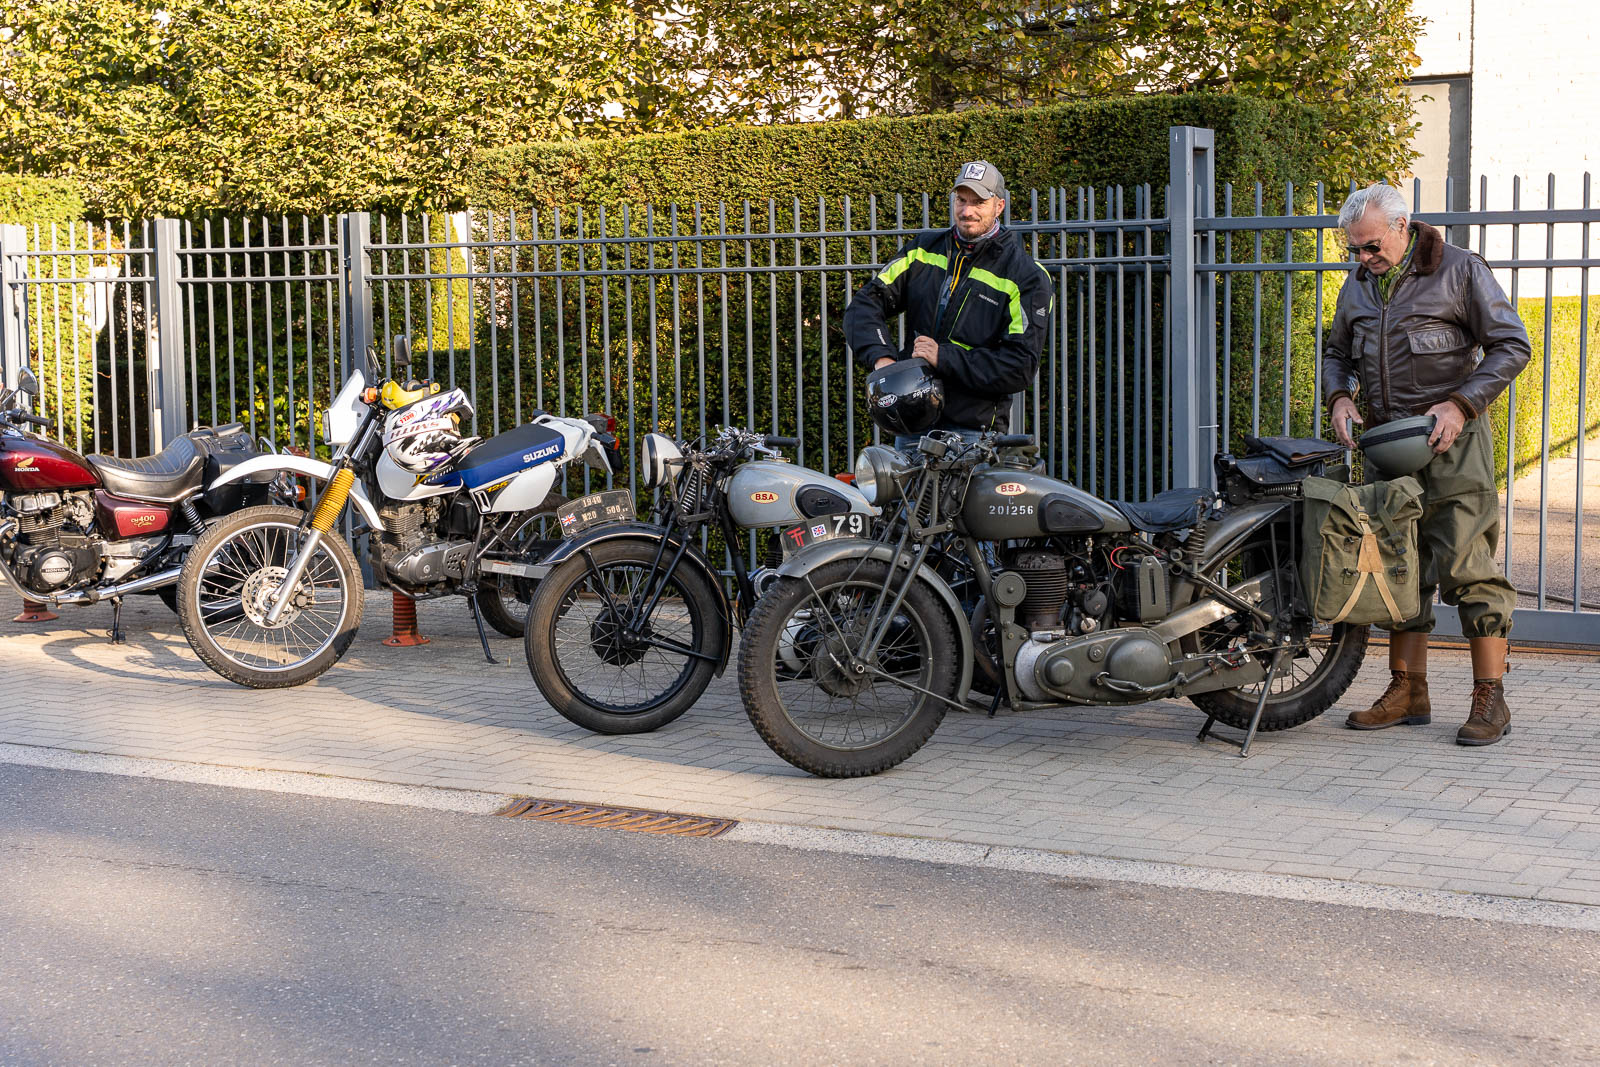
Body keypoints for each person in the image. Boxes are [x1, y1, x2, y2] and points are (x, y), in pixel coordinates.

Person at [1323, 183, 1530, 746]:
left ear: (1402, 226)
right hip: (1389, 449)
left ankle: (1490, 696)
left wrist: (1461, 404)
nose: (1363, 258)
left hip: (1452, 445)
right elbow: (1336, 352)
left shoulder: (1460, 270)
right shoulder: (1359, 285)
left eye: (1371, 246)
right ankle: (1408, 690)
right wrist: (1339, 397)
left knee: (1468, 565)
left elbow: (1512, 345)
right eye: (1354, 249)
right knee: (1399, 568)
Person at [844, 160, 1054, 447]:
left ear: (999, 206)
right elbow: (864, 305)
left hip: (973, 434)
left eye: (979, 202)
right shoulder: (922, 250)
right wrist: (882, 360)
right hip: (912, 424)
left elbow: (1019, 367)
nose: (967, 211)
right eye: (961, 200)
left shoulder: (1026, 275)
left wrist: (943, 357)